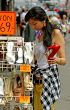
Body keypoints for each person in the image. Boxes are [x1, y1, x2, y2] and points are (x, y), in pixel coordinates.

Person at [25, 6, 66, 110]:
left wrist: (55, 59)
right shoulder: (39, 33)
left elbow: (63, 60)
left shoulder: (55, 33)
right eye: (30, 24)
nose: (33, 27)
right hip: (36, 81)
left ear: (43, 20)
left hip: (48, 83)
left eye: (34, 24)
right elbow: (36, 57)